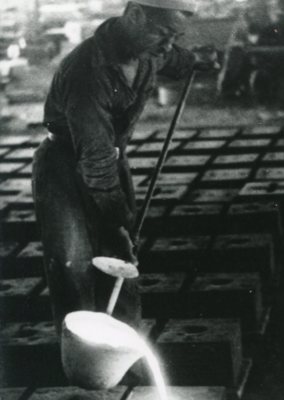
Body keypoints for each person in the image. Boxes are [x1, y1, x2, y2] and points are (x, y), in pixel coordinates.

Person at [32, 0, 216, 334]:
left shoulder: (147, 48)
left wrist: (197, 60)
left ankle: (125, 356)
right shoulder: (88, 70)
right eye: (163, 33)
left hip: (110, 160)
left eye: (175, 36)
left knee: (123, 264)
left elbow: (171, 58)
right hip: (63, 166)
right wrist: (116, 225)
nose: (167, 44)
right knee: (73, 265)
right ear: (134, 16)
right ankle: (83, 365)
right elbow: (95, 159)